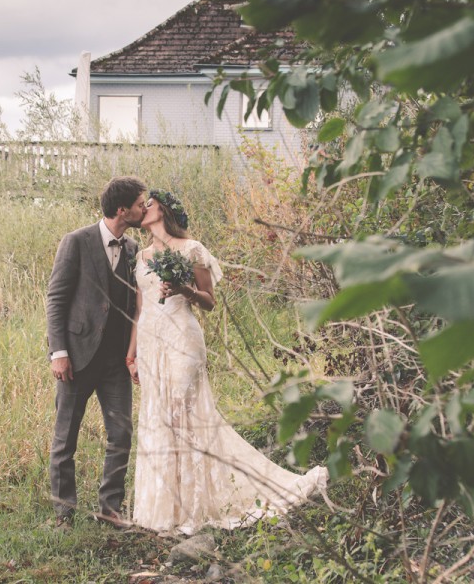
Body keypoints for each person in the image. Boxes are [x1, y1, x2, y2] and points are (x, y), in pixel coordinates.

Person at [126, 189, 328, 536]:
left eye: (149, 203)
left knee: (181, 414)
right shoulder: (141, 256)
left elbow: (209, 301)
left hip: (182, 341)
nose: (143, 208)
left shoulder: (191, 249)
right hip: (149, 345)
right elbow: (139, 309)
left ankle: (195, 504)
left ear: (165, 210)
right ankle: (164, 508)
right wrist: (131, 354)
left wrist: (182, 290)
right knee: (158, 418)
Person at [46, 176, 147, 529]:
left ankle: (110, 508)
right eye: (139, 204)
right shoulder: (76, 241)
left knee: (121, 435)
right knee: (65, 436)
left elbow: (138, 305)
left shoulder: (134, 248)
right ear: (123, 210)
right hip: (76, 356)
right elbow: (56, 298)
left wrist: (134, 355)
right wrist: (58, 351)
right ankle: (63, 512)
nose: (143, 209)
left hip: (116, 361)